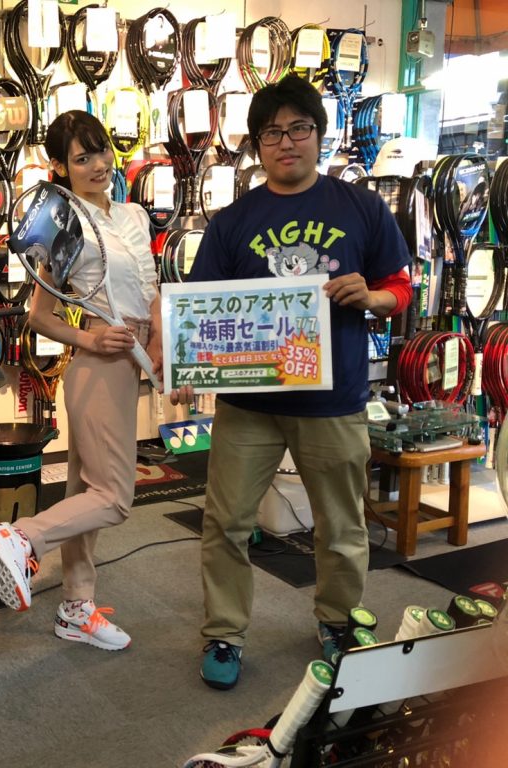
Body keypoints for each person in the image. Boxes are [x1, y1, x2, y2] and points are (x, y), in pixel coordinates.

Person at [187, 75, 412, 690]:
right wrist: (183, 359)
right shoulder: (232, 222)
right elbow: (201, 307)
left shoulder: (361, 207)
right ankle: (225, 633)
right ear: (257, 146)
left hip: (333, 400)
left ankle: (338, 621)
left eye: (299, 128)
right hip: (248, 403)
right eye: (272, 133)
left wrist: (372, 297)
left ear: (319, 133)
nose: (286, 142)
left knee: (341, 525)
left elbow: (400, 285)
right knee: (227, 523)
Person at [0, 110, 193, 650]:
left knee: (84, 492)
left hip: (139, 354)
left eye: (101, 152)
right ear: (59, 167)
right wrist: (91, 340)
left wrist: (163, 349)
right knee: (114, 497)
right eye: (82, 157)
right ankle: (22, 537)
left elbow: (152, 291)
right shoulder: (61, 226)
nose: (98, 165)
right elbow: (39, 317)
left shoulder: (134, 215)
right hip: (100, 364)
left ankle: (76, 606)